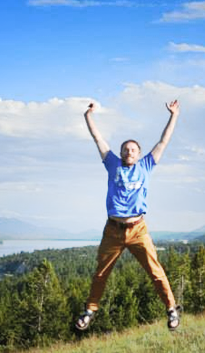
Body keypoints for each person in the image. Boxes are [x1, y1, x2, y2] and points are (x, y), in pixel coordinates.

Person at [75, 100, 182, 331]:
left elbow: (164, 140)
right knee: (101, 273)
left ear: (139, 154)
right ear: (121, 152)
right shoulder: (112, 163)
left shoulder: (146, 165)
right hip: (112, 230)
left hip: (138, 229)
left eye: (133, 149)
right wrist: (88, 116)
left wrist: (173, 115)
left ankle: (172, 310)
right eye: (125, 149)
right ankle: (90, 311)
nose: (128, 152)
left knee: (155, 271)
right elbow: (98, 139)